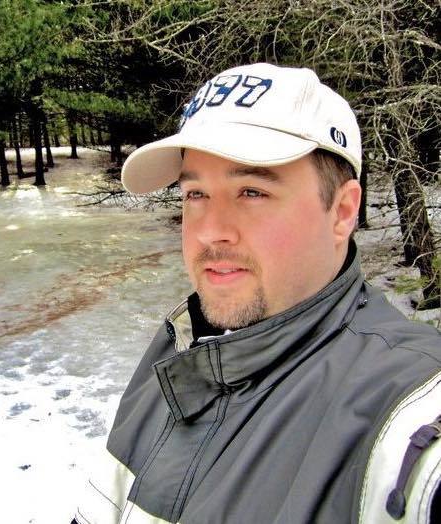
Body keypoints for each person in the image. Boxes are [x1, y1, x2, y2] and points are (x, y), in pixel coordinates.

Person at [72, 63, 441, 524]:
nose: (209, 231)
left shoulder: (401, 406)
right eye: (195, 194)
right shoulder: (175, 355)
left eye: (251, 191)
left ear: (342, 212)